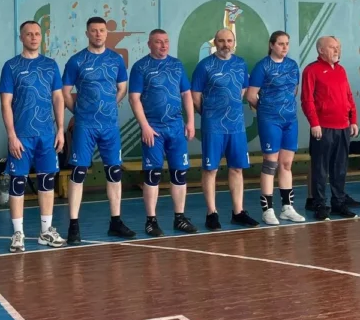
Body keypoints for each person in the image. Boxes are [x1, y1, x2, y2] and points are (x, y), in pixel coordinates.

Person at [62, 16, 135, 245]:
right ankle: (74, 225)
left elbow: (122, 88)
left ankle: (116, 222)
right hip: (85, 125)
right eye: (93, 30)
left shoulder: (115, 60)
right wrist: (78, 112)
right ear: (87, 33)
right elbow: (65, 92)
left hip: (109, 125)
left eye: (101, 30)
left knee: (114, 172)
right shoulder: (76, 61)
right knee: (78, 173)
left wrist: (110, 105)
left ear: (106, 33)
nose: (98, 34)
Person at [0, 20, 66, 252]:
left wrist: (60, 129)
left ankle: (45, 231)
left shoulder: (50, 65)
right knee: (18, 183)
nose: (34, 37)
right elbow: (5, 104)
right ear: (21, 38)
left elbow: (58, 98)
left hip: (47, 135)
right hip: (21, 137)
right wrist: (11, 135)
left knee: (47, 182)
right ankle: (18, 233)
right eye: (29, 34)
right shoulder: (11, 66)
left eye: (37, 34)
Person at [128, 29, 197, 237]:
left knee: (179, 173)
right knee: (153, 174)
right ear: (149, 44)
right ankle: (151, 221)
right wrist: (145, 126)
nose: (163, 45)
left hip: (176, 127)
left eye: (166, 41)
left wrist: (190, 121)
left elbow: (186, 93)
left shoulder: (176, 65)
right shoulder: (141, 67)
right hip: (153, 129)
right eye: (158, 42)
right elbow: (134, 98)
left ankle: (179, 218)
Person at [191, 28, 259, 230]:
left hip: (236, 126)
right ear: (215, 42)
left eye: (229, 41)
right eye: (221, 41)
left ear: (234, 43)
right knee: (210, 169)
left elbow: (244, 89)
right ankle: (211, 213)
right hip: (213, 126)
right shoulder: (204, 66)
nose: (226, 45)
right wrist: (209, 114)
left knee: (237, 168)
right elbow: (195, 96)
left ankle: (238, 212)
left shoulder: (240, 63)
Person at [246, 31, 305, 225]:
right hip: (270, 120)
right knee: (270, 164)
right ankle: (268, 210)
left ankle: (287, 208)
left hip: (290, 120)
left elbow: (294, 90)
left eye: (287, 43)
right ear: (272, 45)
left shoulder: (293, 65)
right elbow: (251, 95)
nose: (285, 47)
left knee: (286, 164)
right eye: (281, 44)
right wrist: (266, 110)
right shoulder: (262, 66)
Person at [300, 36, 359, 221]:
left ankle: (338, 202)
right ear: (321, 50)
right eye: (332, 47)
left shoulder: (341, 70)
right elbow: (307, 99)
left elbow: (349, 96)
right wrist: (314, 123)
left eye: (338, 47)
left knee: (339, 168)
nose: (337, 50)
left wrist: (353, 120)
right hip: (323, 128)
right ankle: (319, 204)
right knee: (320, 169)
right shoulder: (311, 70)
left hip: (343, 127)